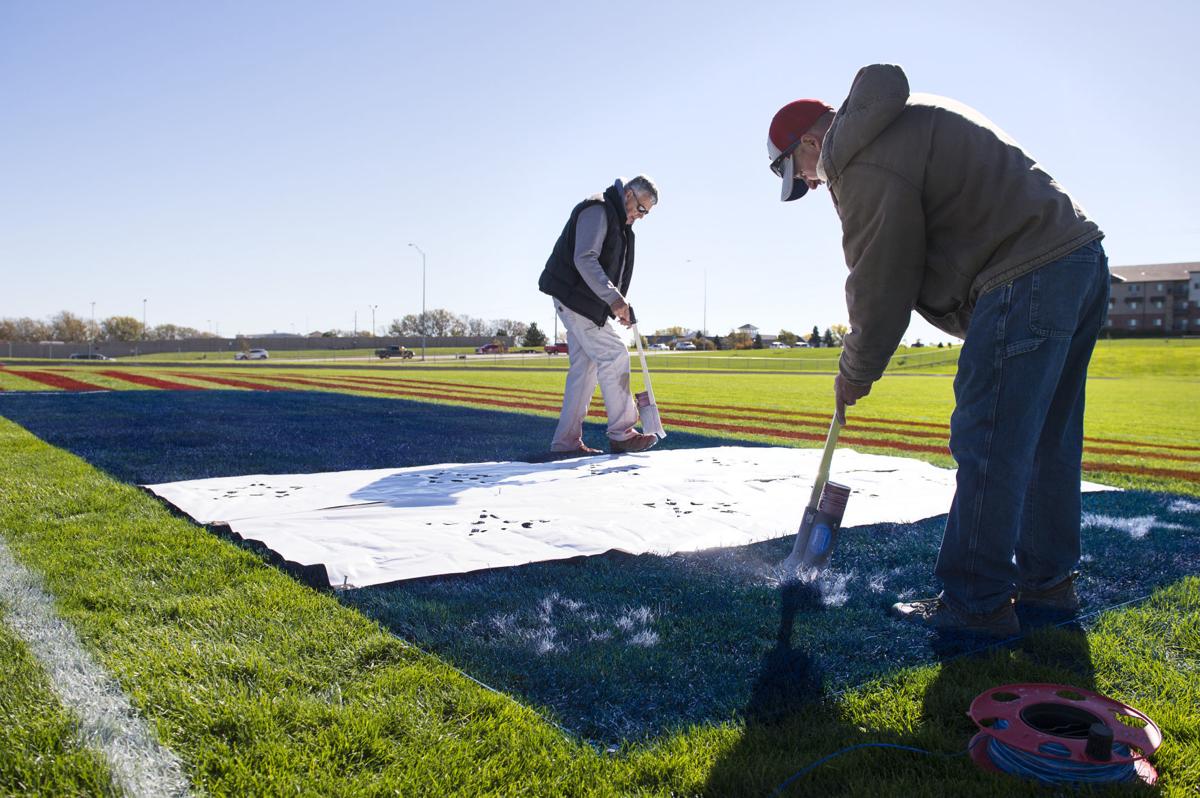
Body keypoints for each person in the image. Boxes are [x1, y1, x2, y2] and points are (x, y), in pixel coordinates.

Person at [767, 65, 1109, 636]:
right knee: (1049, 440)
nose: (810, 183)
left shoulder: (859, 157)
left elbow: (882, 278)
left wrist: (856, 369)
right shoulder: (898, 121)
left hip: (1023, 274)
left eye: (798, 173)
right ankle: (1049, 586)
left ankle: (975, 604)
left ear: (809, 141)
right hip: (1077, 261)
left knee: (989, 441)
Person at [538, 175, 661, 456]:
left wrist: (618, 305)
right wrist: (614, 300)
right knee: (615, 355)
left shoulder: (620, 221)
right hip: (575, 298)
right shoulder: (599, 209)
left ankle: (565, 443)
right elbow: (585, 258)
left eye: (646, 214)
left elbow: (610, 270)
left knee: (584, 370)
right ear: (629, 194)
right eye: (641, 209)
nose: (640, 216)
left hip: (584, 301)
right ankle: (622, 433)